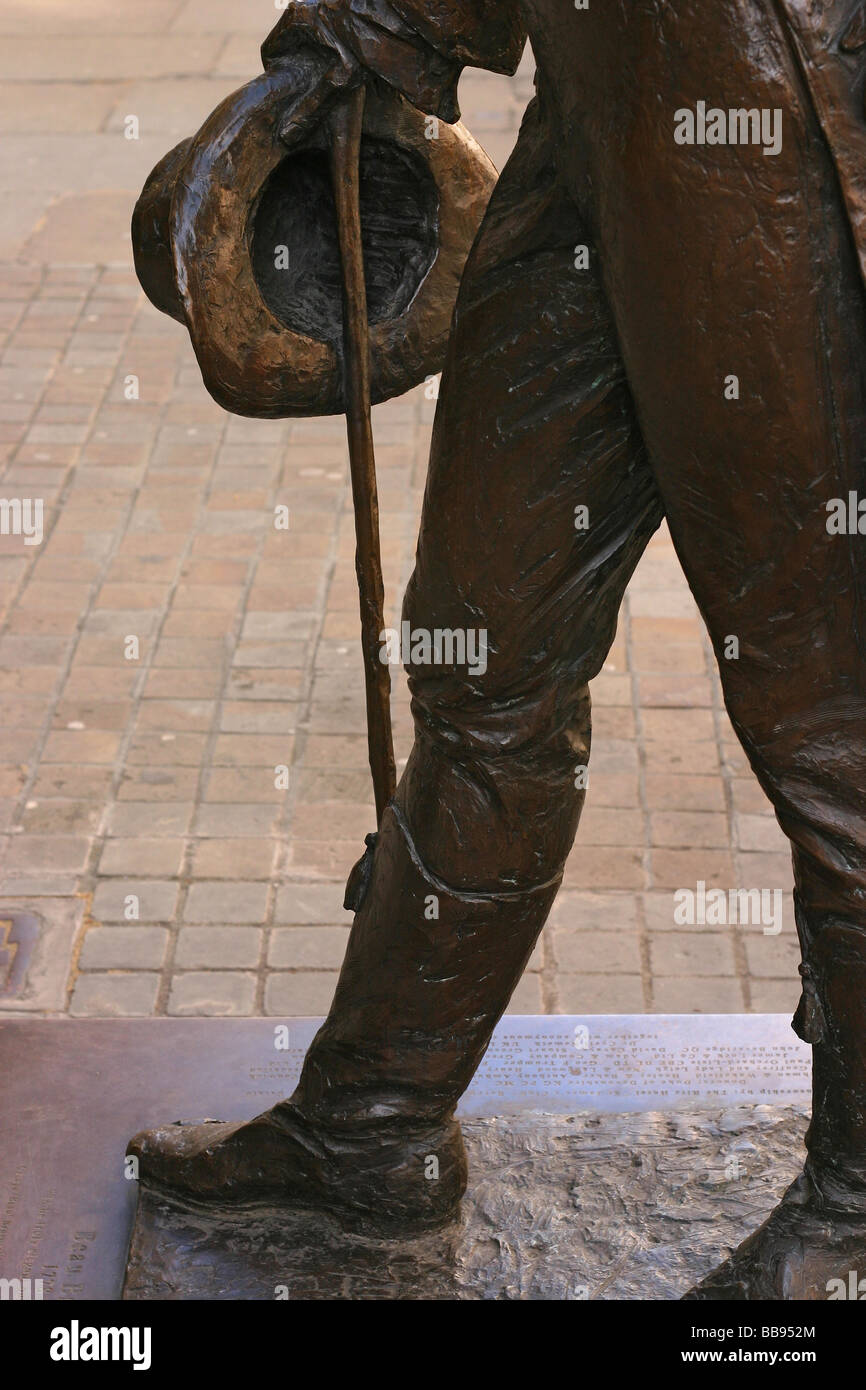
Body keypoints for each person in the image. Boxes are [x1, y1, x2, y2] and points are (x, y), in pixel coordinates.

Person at [130, 0, 866, 1300]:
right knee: (486, 659)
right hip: (597, 120)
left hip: (769, 124)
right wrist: (361, 34)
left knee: (829, 726)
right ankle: (368, 1132)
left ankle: (857, 1216)